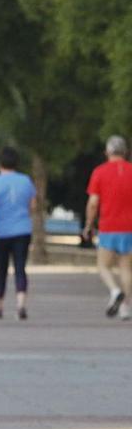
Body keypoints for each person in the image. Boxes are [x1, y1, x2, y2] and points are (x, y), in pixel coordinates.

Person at [0, 146, 36, 320]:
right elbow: (32, 206)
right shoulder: (26, 181)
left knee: (1, 270)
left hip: (1, 232)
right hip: (22, 230)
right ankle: (21, 305)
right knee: (20, 268)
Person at [84, 135, 132, 320]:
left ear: (107, 152)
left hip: (108, 227)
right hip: (129, 228)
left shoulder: (99, 172)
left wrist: (89, 223)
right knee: (126, 268)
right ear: (126, 152)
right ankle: (125, 308)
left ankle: (114, 291)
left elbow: (93, 202)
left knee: (103, 265)